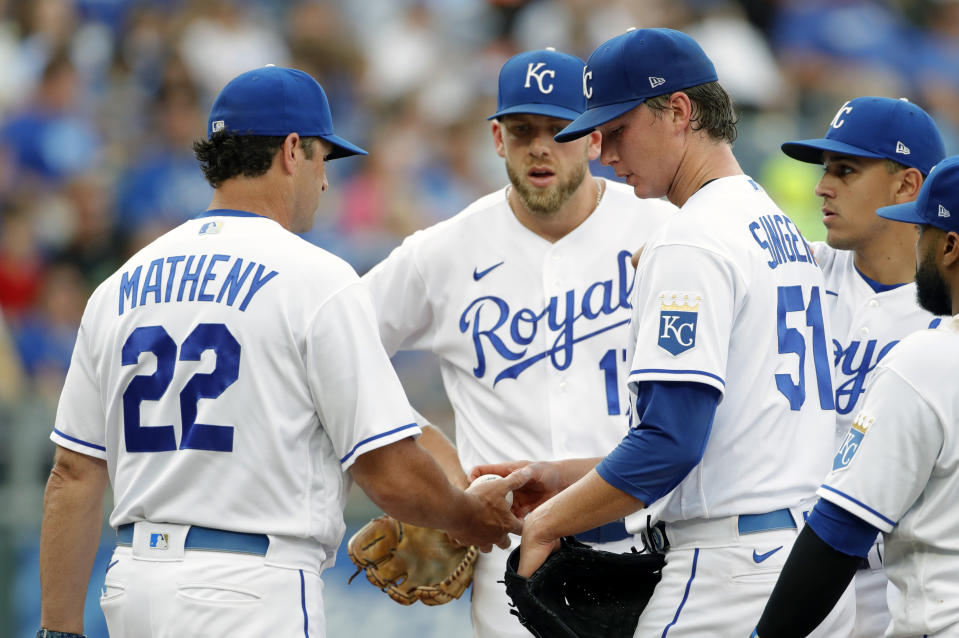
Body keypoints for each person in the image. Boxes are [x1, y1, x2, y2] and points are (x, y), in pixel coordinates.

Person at [35, 66, 525, 638]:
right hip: (248, 590)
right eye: (323, 158)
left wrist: (59, 628)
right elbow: (388, 471)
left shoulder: (120, 285)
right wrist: (465, 516)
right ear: (293, 151)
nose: (324, 181)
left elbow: (72, 474)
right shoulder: (316, 278)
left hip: (132, 584)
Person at [475, 27, 854, 636]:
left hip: (728, 578)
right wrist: (562, 481)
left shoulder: (692, 238)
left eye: (617, 129)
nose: (602, 152)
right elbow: (731, 440)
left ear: (678, 111)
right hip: (802, 564)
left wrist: (548, 523)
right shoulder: (769, 221)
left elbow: (669, 444)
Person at [362, 48, 674, 637]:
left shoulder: (662, 227)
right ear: (497, 138)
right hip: (513, 564)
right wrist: (441, 469)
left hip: (658, 546)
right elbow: (333, 354)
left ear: (594, 139)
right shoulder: (444, 250)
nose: (540, 146)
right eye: (522, 129)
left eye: (560, 131)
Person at [755, 154, 959, 637]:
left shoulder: (927, 361)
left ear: (950, 246)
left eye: (922, 232)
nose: (917, 248)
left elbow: (838, 532)